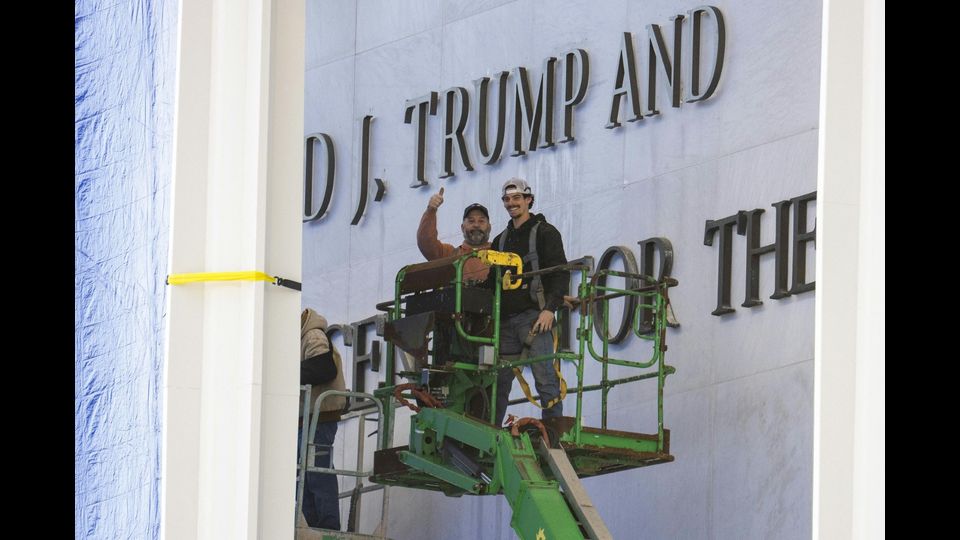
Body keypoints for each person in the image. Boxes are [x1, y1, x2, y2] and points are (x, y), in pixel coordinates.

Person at [488, 178, 569, 426]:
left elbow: (560, 273)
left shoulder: (545, 232)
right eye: (507, 199)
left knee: (545, 378)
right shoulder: (500, 241)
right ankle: (491, 431)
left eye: (517, 198)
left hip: (535, 318)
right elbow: (492, 283)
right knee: (498, 383)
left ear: (528, 200)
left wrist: (549, 310)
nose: (512, 203)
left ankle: (554, 434)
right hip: (505, 323)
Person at [299, 308, 347, 530]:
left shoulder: (312, 335)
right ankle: (313, 525)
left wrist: (287, 372)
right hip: (310, 417)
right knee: (306, 475)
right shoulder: (306, 335)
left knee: (316, 471)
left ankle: (326, 526)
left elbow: (323, 368)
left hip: (319, 416)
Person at [417, 186, 492, 282]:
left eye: (481, 221)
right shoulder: (449, 254)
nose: (476, 225)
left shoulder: (500, 251)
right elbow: (426, 242)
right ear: (462, 227)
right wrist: (431, 210)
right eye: (471, 221)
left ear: (489, 227)